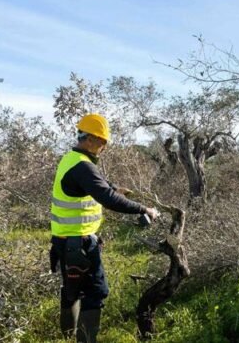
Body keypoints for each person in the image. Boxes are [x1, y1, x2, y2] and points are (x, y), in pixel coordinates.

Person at [49, 114, 160, 342]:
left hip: (64, 240)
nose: (104, 146)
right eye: (101, 141)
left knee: (72, 290)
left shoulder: (72, 159)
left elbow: (100, 185)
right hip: (79, 243)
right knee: (96, 292)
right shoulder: (83, 166)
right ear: (88, 139)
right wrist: (143, 210)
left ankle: (66, 335)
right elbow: (107, 198)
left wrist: (115, 187)